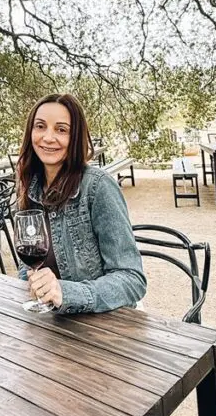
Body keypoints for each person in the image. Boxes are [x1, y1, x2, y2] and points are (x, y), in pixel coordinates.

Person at [15, 93, 146, 313]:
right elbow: (27, 264)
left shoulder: (98, 188)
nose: (48, 137)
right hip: (54, 323)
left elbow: (132, 280)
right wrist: (35, 284)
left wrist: (65, 292)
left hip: (109, 324)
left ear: (75, 137)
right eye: (40, 126)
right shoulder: (30, 188)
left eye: (61, 129)